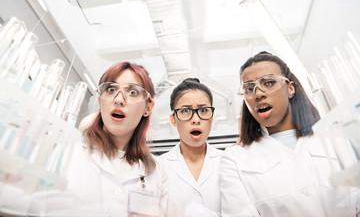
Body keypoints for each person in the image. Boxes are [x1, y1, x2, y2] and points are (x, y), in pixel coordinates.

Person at [220, 51, 357, 216]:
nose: (258, 93)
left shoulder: (335, 137)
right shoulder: (234, 158)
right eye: (249, 88)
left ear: (290, 88)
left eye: (269, 82)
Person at [40, 62, 172, 216]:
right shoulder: (67, 149)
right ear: (100, 99)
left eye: (133, 92)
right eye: (111, 89)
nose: (119, 100)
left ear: (148, 108)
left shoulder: (157, 171)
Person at [158, 78, 222, 217]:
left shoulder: (227, 161)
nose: (196, 119)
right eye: (186, 111)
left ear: (212, 118)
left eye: (203, 110)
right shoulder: (159, 166)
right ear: (173, 119)